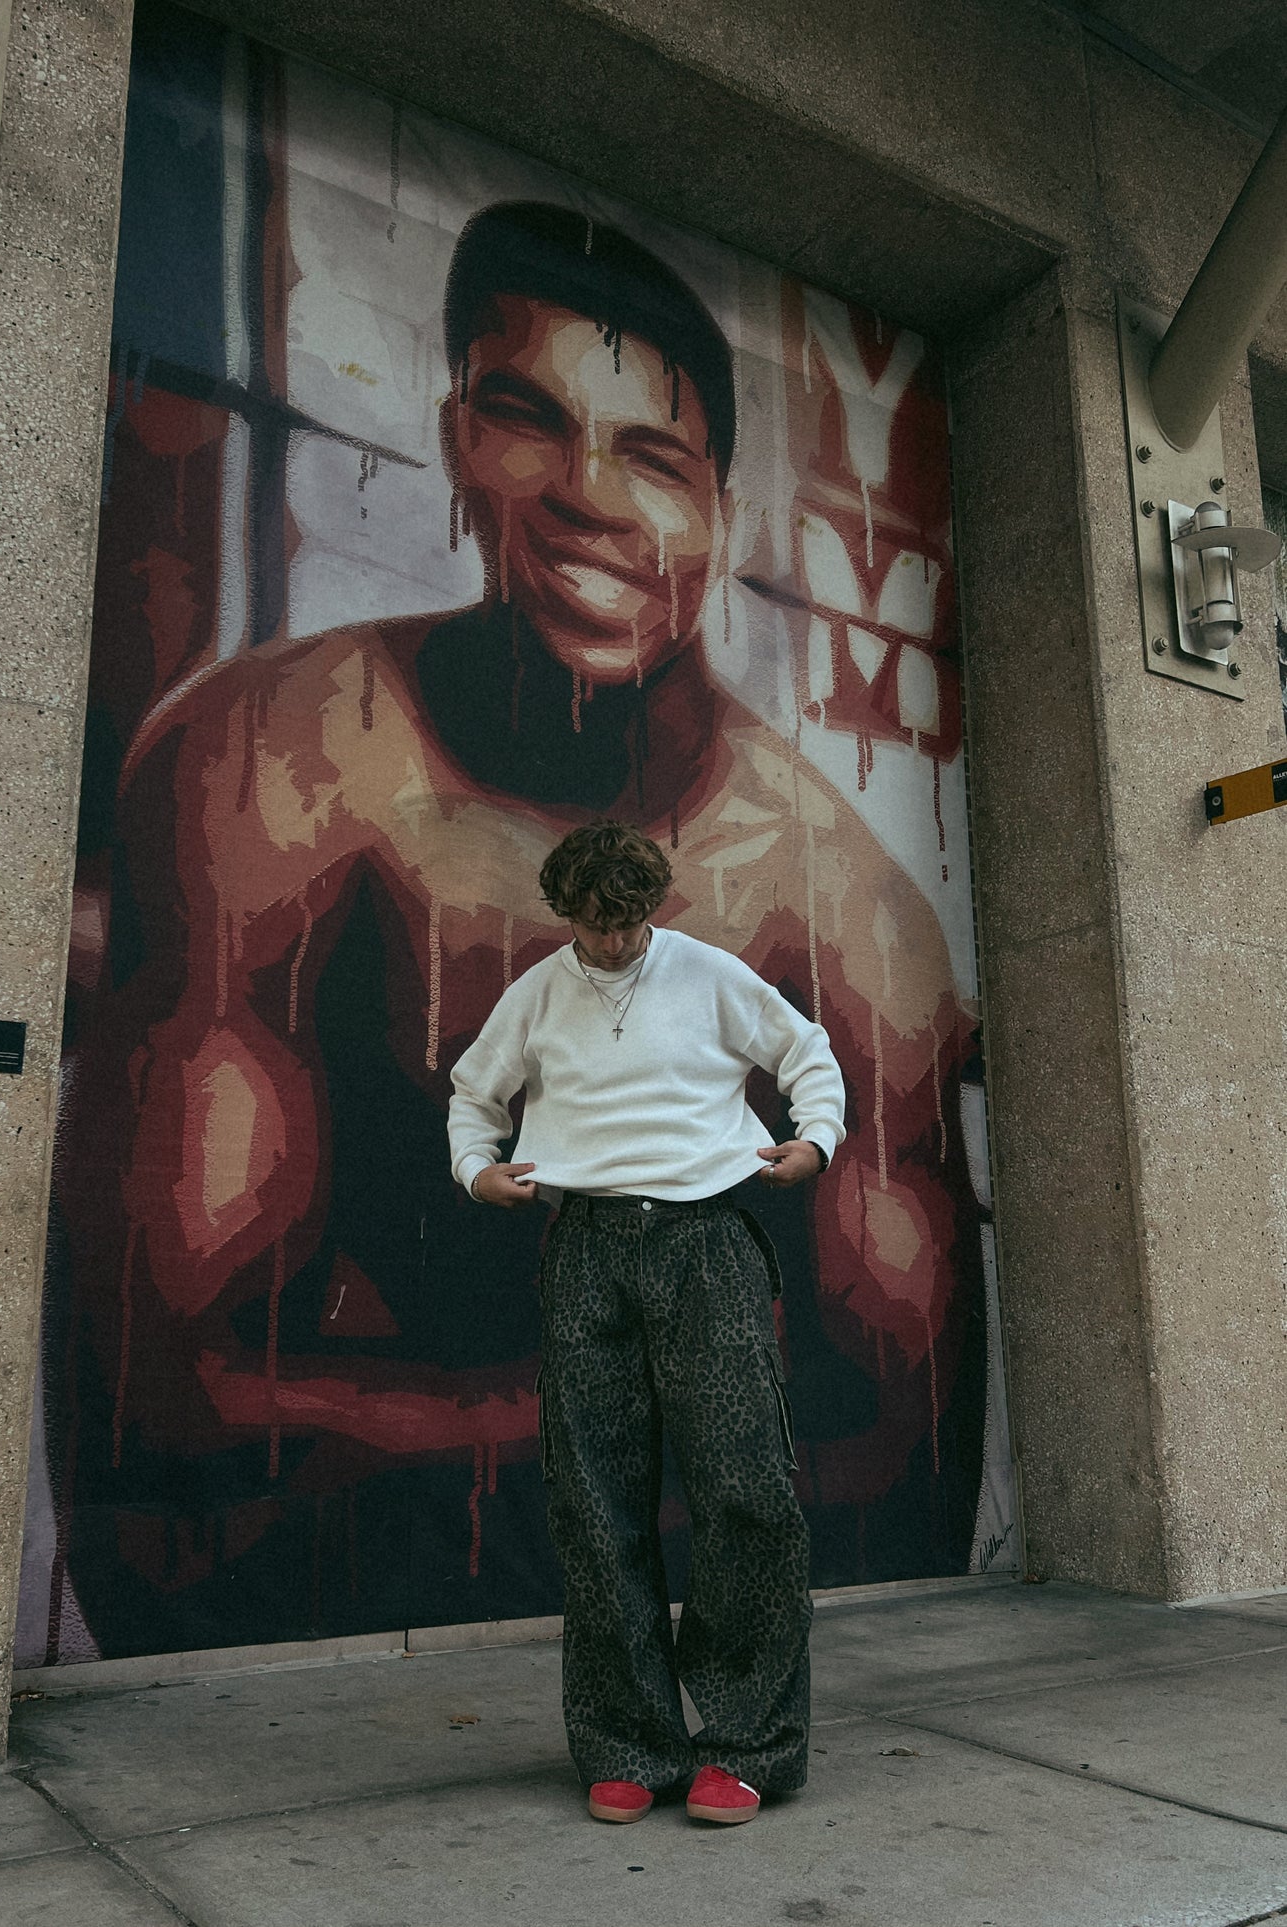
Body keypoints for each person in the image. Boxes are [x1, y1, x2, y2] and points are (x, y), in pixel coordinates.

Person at [61, 200, 970, 1651]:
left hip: (558, 1553)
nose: (587, 494)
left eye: (655, 456)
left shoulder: (845, 915)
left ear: (725, 514)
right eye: (525, 416)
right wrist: (634, 1427)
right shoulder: (275, 777)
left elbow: (898, 1468)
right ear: (455, 441)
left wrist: (458, 1440)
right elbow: (161, 1435)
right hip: (348, 1632)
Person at [448, 819, 846, 1824]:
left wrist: (815, 1137)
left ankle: (746, 1746)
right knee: (594, 1497)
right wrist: (475, 1169)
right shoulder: (537, 990)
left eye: (627, 922)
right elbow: (471, 1093)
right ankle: (628, 1743)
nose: (614, 942)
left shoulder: (707, 973)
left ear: (651, 907)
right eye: (594, 924)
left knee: (743, 1488)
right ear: (567, 910)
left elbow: (805, 1049)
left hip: (704, 1238)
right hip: (584, 1245)